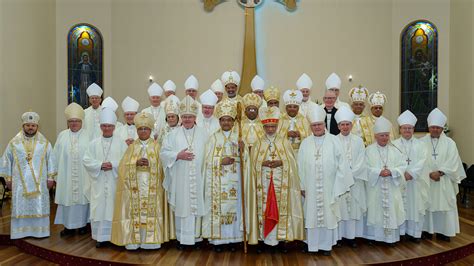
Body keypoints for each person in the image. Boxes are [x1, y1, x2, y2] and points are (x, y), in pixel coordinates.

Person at [247, 106, 304, 253]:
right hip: (263, 185)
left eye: (273, 126)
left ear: (277, 126)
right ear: (263, 126)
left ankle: (280, 240)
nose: (270, 129)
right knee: (264, 209)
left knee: (280, 209)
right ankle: (263, 239)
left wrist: (282, 163)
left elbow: (292, 163)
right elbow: (251, 166)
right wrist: (261, 164)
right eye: (267, 127)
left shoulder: (284, 142)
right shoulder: (258, 143)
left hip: (281, 184)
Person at [298, 105, 353, 255]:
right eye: (314, 125)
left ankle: (326, 246)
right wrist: (302, 185)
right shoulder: (305, 143)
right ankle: (311, 244)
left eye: (319, 124)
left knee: (328, 214)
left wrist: (338, 185)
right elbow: (300, 166)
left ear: (324, 125)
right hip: (310, 187)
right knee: (311, 214)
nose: (317, 127)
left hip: (330, 186)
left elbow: (343, 165)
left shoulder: (335, 141)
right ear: (311, 127)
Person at [112, 112, 170, 250]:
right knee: (134, 213)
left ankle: (152, 241)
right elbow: (122, 168)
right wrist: (134, 163)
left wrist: (152, 164)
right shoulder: (131, 147)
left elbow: (164, 167)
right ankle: (133, 241)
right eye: (140, 129)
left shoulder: (157, 146)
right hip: (135, 189)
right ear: (137, 130)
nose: (143, 131)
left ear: (150, 130)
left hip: (152, 188)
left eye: (146, 129)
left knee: (152, 212)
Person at [161, 96, 209, 250]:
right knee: (182, 207)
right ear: (180, 117)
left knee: (197, 205)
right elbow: (163, 153)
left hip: (199, 177)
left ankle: (197, 238)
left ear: (195, 117)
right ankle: (182, 239)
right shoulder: (172, 134)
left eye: (190, 117)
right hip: (180, 178)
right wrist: (177, 156)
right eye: (185, 117)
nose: (187, 119)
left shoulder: (204, 134)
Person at [1, 111, 56, 239]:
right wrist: (8, 178)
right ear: (23, 126)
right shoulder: (14, 142)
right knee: (21, 205)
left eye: (33, 125)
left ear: (37, 127)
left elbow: (51, 160)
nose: (30, 127)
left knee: (39, 205)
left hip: (40, 182)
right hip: (19, 182)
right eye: (28, 125)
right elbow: (6, 159)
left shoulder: (44, 142)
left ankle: (40, 231)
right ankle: (20, 231)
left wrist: (50, 178)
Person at [202, 100, 247, 252]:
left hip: (236, 183)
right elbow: (206, 162)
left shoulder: (240, 137)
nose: (226, 122)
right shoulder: (213, 139)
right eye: (223, 120)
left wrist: (244, 150)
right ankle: (219, 241)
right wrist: (220, 161)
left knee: (237, 209)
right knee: (219, 210)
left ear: (234, 121)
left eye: (229, 119)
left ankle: (235, 240)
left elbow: (248, 161)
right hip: (219, 183)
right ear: (219, 121)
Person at [83, 108, 127, 247]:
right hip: (99, 182)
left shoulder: (121, 142)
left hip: (115, 181)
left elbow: (126, 160)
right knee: (100, 208)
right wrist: (100, 165)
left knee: (114, 208)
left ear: (114, 127)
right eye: (104, 126)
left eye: (109, 126)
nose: (107, 128)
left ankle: (114, 237)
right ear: (100, 126)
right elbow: (86, 160)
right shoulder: (94, 143)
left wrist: (113, 165)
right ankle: (101, 238)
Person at [421, 108, 466, 242]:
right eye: (433, 127)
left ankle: (444, 232)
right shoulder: (421, 142)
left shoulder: (450, 143)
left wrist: (440, 172)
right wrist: (429, 172)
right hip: (427, 179)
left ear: (442, 128)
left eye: (438, 127)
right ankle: (427, 230)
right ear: (429, 127)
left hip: (443, 179)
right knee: (427, 205)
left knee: (445, 206)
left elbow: (453, 161)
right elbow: (418, 160)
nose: (435, 130)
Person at [365, 117, 406, 246]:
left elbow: (402, 165)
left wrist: (392, 172)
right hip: (375, 187)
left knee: (392, 210)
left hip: (391, 186)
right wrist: (378, 172)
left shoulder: (395, 150)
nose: (384, 138)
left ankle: (390, 239)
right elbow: (365, 167)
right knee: (375, 210)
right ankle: (374, 237)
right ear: (376, 136)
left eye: (386, 135)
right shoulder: (368, 150)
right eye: (382, 135)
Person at [392, 110, 430, 243]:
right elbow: (391, 161)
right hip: (399, 181)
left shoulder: (421, 145)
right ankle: (401, 233)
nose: (407, 130)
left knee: (415, 206)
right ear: (400, 129)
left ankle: (414, 234)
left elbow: (423, 161)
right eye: (404, 128)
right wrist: (402, 173)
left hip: (415, 182)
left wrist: (411, 173)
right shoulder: (393, 144)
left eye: (409, 128)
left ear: (413, 129)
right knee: (400, 206)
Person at [53, 103, 90, 237]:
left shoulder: (88, 136)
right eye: (71, 121)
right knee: (67, 200)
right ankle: (68, 227)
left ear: (81, 122)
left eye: (77, 121)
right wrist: (54, 175)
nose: (74, 123)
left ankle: (83, 225)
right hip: (66, 175)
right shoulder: (62, 135)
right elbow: (54, 156)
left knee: (83, 200)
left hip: (84, 174)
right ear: (68, 122)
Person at [334, 106, 367, 248]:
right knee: (340, 208)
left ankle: (352, 237)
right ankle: (340, 237)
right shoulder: (333, 140)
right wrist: (343, 175)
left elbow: (362, 160)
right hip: (339, 181)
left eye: (347, 124)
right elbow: (333, 161)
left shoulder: (359, 141)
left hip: (355, 180)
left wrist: (351, 175)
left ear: (351, 125)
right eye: (342, 124)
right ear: (338, 126)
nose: (345, 127)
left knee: (353, 207)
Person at [279, 89, 310, 156]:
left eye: (295, 107)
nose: (292, 109)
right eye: (289, 107)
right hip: (284, 152)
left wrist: (300, 134)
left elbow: (309, 136)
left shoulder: (303, 120)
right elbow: (275, 137)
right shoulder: (280, 120)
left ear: (298, 108)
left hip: (300, 152)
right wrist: (287, 134)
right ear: (286, 108)